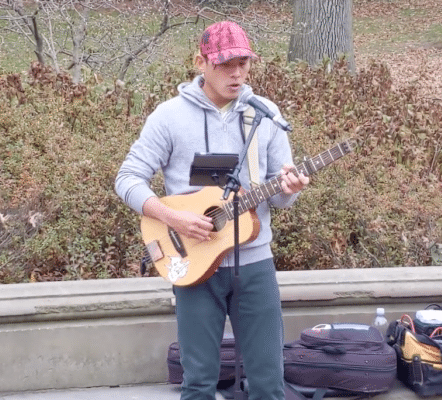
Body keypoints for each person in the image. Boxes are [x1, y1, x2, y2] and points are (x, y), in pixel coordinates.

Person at [115, 20, 309, 400]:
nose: (236, 73)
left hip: (255, 265)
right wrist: (172, 217)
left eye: (243, 63)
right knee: (198, 384)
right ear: (200, 62)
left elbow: (278, 196)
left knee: (269, 384)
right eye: (224, 64)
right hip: (194, 265)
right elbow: (127, 179)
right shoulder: (169, 117)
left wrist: (291, 189)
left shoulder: (265, 114)